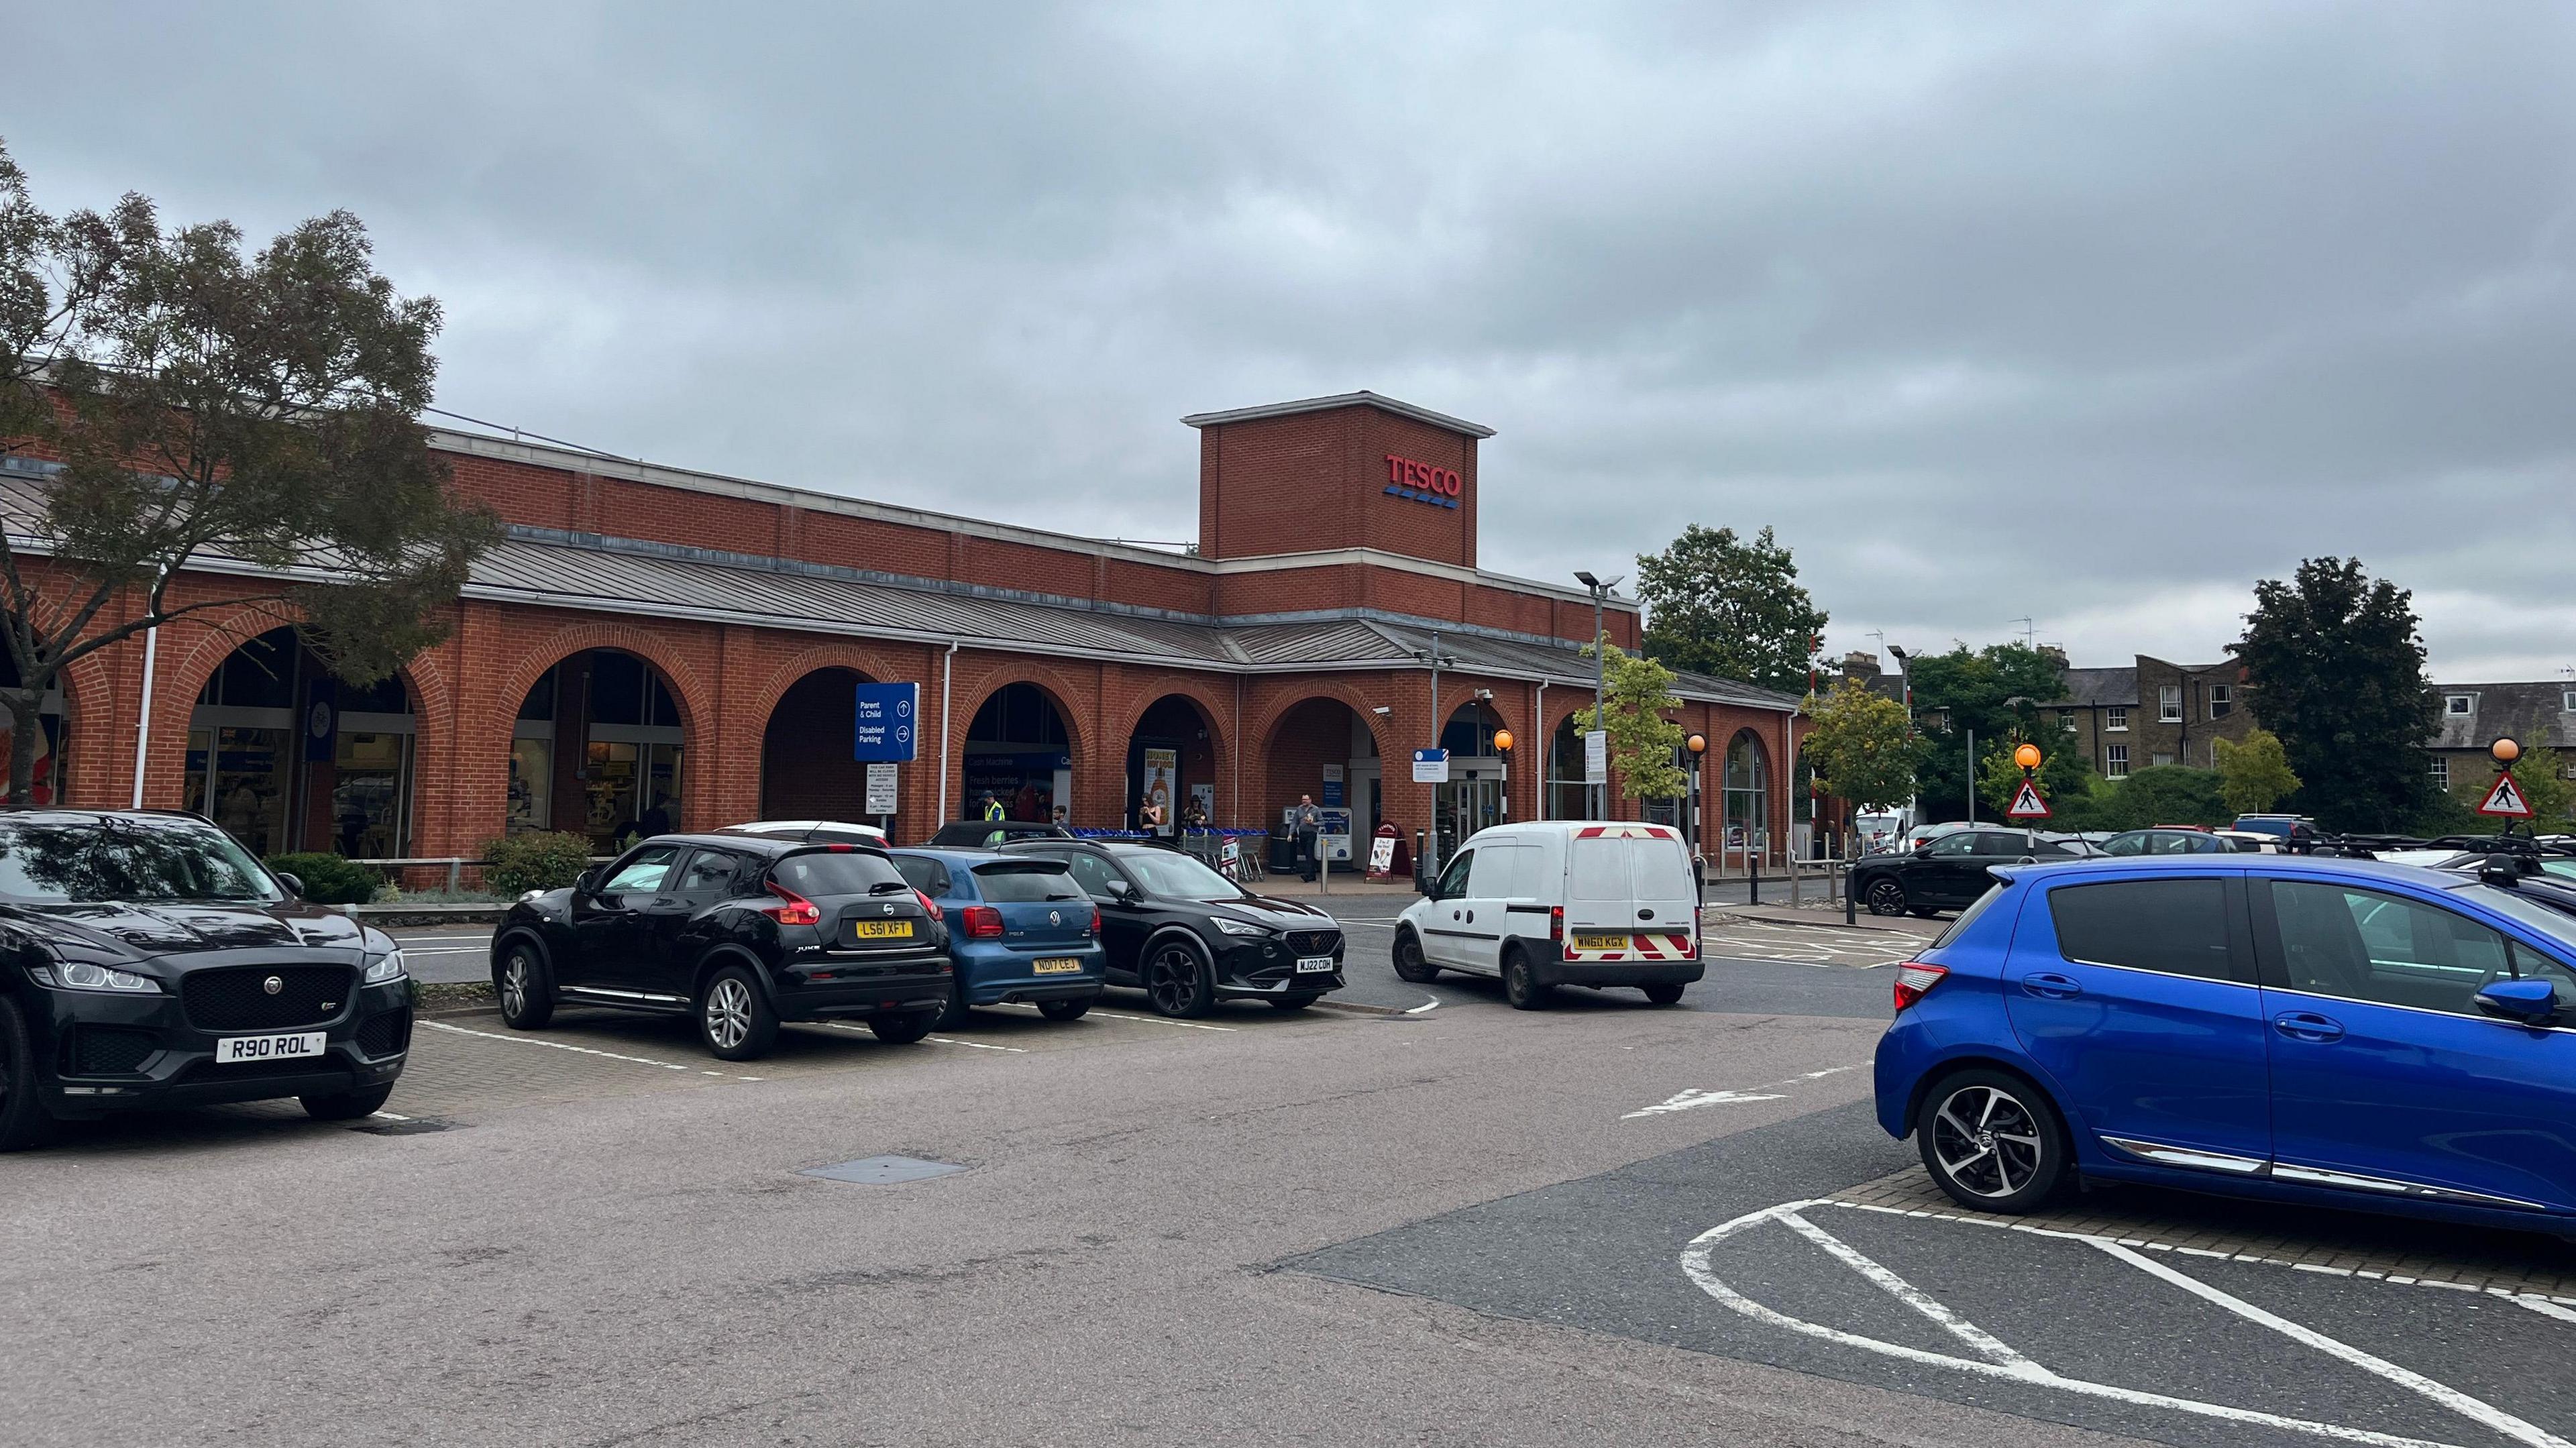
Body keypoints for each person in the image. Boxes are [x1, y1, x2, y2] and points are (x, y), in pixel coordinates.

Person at [1292, 793, 1323, 883]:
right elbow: (1295, 822)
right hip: (1302, 833)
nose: (1304, 801)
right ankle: (1313, 874)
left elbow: (1322, 822)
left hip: (1312, 833)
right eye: (1303, 800)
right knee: (1306, 853)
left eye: (1306, 800)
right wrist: (1291, 833)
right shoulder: (1299, 809)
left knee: (1309, 852)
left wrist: (1313, 824)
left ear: (1310, 800)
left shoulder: (1316, 809)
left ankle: (1308, 875)